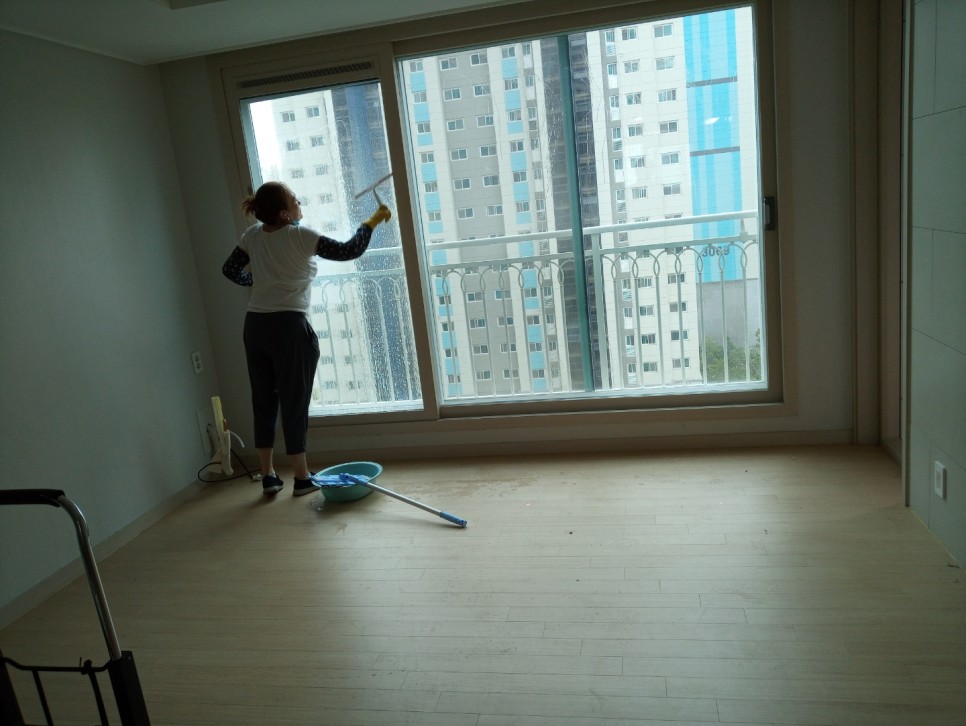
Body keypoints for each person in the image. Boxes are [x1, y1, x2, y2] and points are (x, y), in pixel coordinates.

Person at [222, 181, 391, 496]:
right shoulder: (300, 236)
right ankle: (301, 478)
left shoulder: (252, 236)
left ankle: (268, 475)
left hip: (255, 325)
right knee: (294, 401)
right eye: (295, 200)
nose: (300, 203)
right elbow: (349, 250)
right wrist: (371, 222)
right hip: (288, 326)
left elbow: (230, 270)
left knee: (263, 399)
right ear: (285, 214)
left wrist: (258, 282)